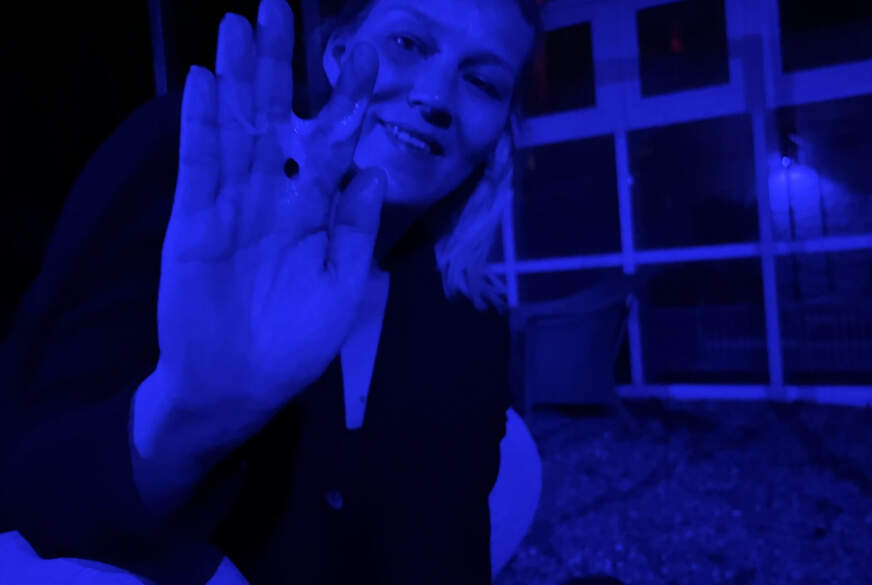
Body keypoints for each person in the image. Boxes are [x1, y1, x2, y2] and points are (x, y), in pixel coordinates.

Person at [0, 0, 544, 583]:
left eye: (483, 82)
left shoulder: (470, 325)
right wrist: (186, 415)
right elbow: (28, 497)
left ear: (499, 129)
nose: (435, 97)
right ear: (338, 53)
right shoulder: (192, 179)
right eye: (408, 43)